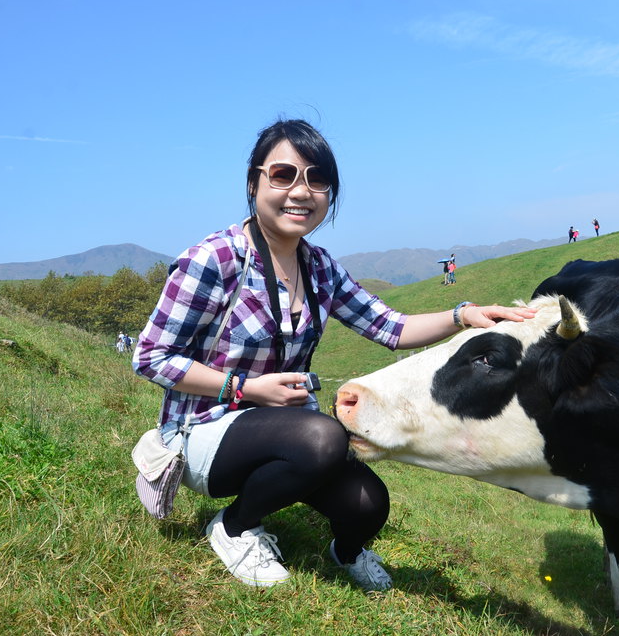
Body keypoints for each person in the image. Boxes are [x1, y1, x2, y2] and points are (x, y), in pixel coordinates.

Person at [132, 118, 534, 591]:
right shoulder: (215, 259)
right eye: (283, 175)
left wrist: (464, 315)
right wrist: (242, 387)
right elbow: (151, 357)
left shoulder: (319, 266)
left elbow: (390, 326)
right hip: (205, 429)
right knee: (324, 438)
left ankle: (345, 552)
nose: (301, 192)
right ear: (252, 182)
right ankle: (235, 526)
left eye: (317, 179)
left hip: (288, 429)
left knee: (368, 503)